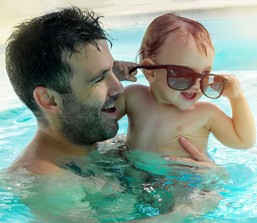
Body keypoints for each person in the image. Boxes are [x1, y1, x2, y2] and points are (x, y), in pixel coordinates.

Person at [5, 7, 212, 176]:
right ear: (49, 99)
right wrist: (194, 206)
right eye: (97, 79)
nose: (119, 88)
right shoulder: (46, 183)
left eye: (111, 70)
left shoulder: (94, 143)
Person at [115, 13, 256, 159]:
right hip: (131, 176)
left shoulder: (206, 114)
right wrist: (109, 75)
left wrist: (237, 97)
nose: (196, 85)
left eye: (205, 73)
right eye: (184, 74)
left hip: (182, 180)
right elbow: (96, 122)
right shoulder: (133, 97)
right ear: (151, 72)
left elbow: (244, 141)